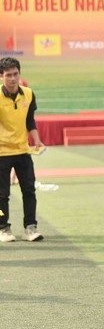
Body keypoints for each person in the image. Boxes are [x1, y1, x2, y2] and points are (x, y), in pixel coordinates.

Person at [0, 57, 44, 243]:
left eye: (15, 74)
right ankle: (3, 228)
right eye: (8, 75)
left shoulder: (28, 93)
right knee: (2, 194)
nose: (12, 78)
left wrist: (37, 140)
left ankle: (30, 228)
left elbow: (29, 120)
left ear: (20, 74)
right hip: (1, 153)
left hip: (22, 150)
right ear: (1, 76)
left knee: (29, 190)